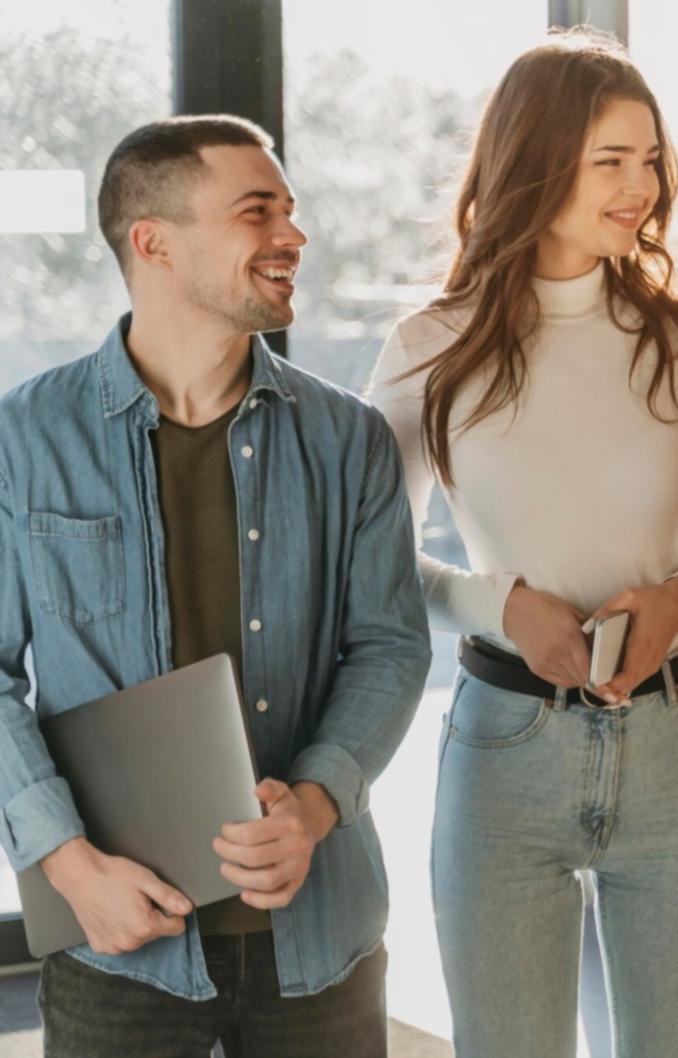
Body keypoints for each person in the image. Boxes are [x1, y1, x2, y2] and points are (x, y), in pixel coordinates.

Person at [368, 29, 678, 1058]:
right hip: (503, 749)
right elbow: (372, 559)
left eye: (649, 160)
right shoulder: (428, 347)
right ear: (537, 159)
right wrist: (494, 601)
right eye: (610, 161)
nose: (640, 186)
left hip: (677, 742)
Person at [0, 115, 431, 1057]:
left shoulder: (349, 438)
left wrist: (316, 804)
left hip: (321, 942)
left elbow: (392, 646)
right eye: (257, 212)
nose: (293, 236)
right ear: (152, 242)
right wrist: (70, 869)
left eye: (290, 208)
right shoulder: (22, 437)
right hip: (118, 950)